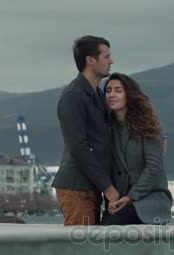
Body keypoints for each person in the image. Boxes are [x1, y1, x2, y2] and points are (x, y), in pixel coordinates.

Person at [52, 35, 120, 225]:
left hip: (90, 187)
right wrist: (107, 188)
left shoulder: (97, 94)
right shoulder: (73, 96)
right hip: (76, 188)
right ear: (90, 60)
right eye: (106, 56)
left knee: (88, 250)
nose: (111, 61)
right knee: (79, 251)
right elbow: (78, 147)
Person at [100, 73, 172, 225]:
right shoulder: (106, 128)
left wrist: (130, 197)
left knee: (113, 225)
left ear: (129, 95)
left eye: (118, 90)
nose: (112, 94)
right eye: (108, 90)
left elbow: (154, 167)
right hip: (121, 201)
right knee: (105, 229)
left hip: (149, 199)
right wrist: (114, 199)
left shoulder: (148, 126)